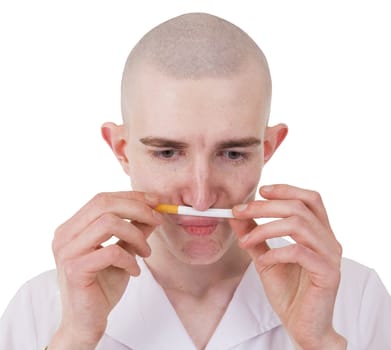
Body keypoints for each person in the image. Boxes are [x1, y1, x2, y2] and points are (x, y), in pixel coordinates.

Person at [1, 12, 390, 350]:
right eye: (168, 153)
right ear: (120, 148)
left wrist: (319, 343)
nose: (201, 198)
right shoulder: (40, 309)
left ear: (268, 148)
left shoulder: (356, 299)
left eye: (233, 153)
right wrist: (74, 340)